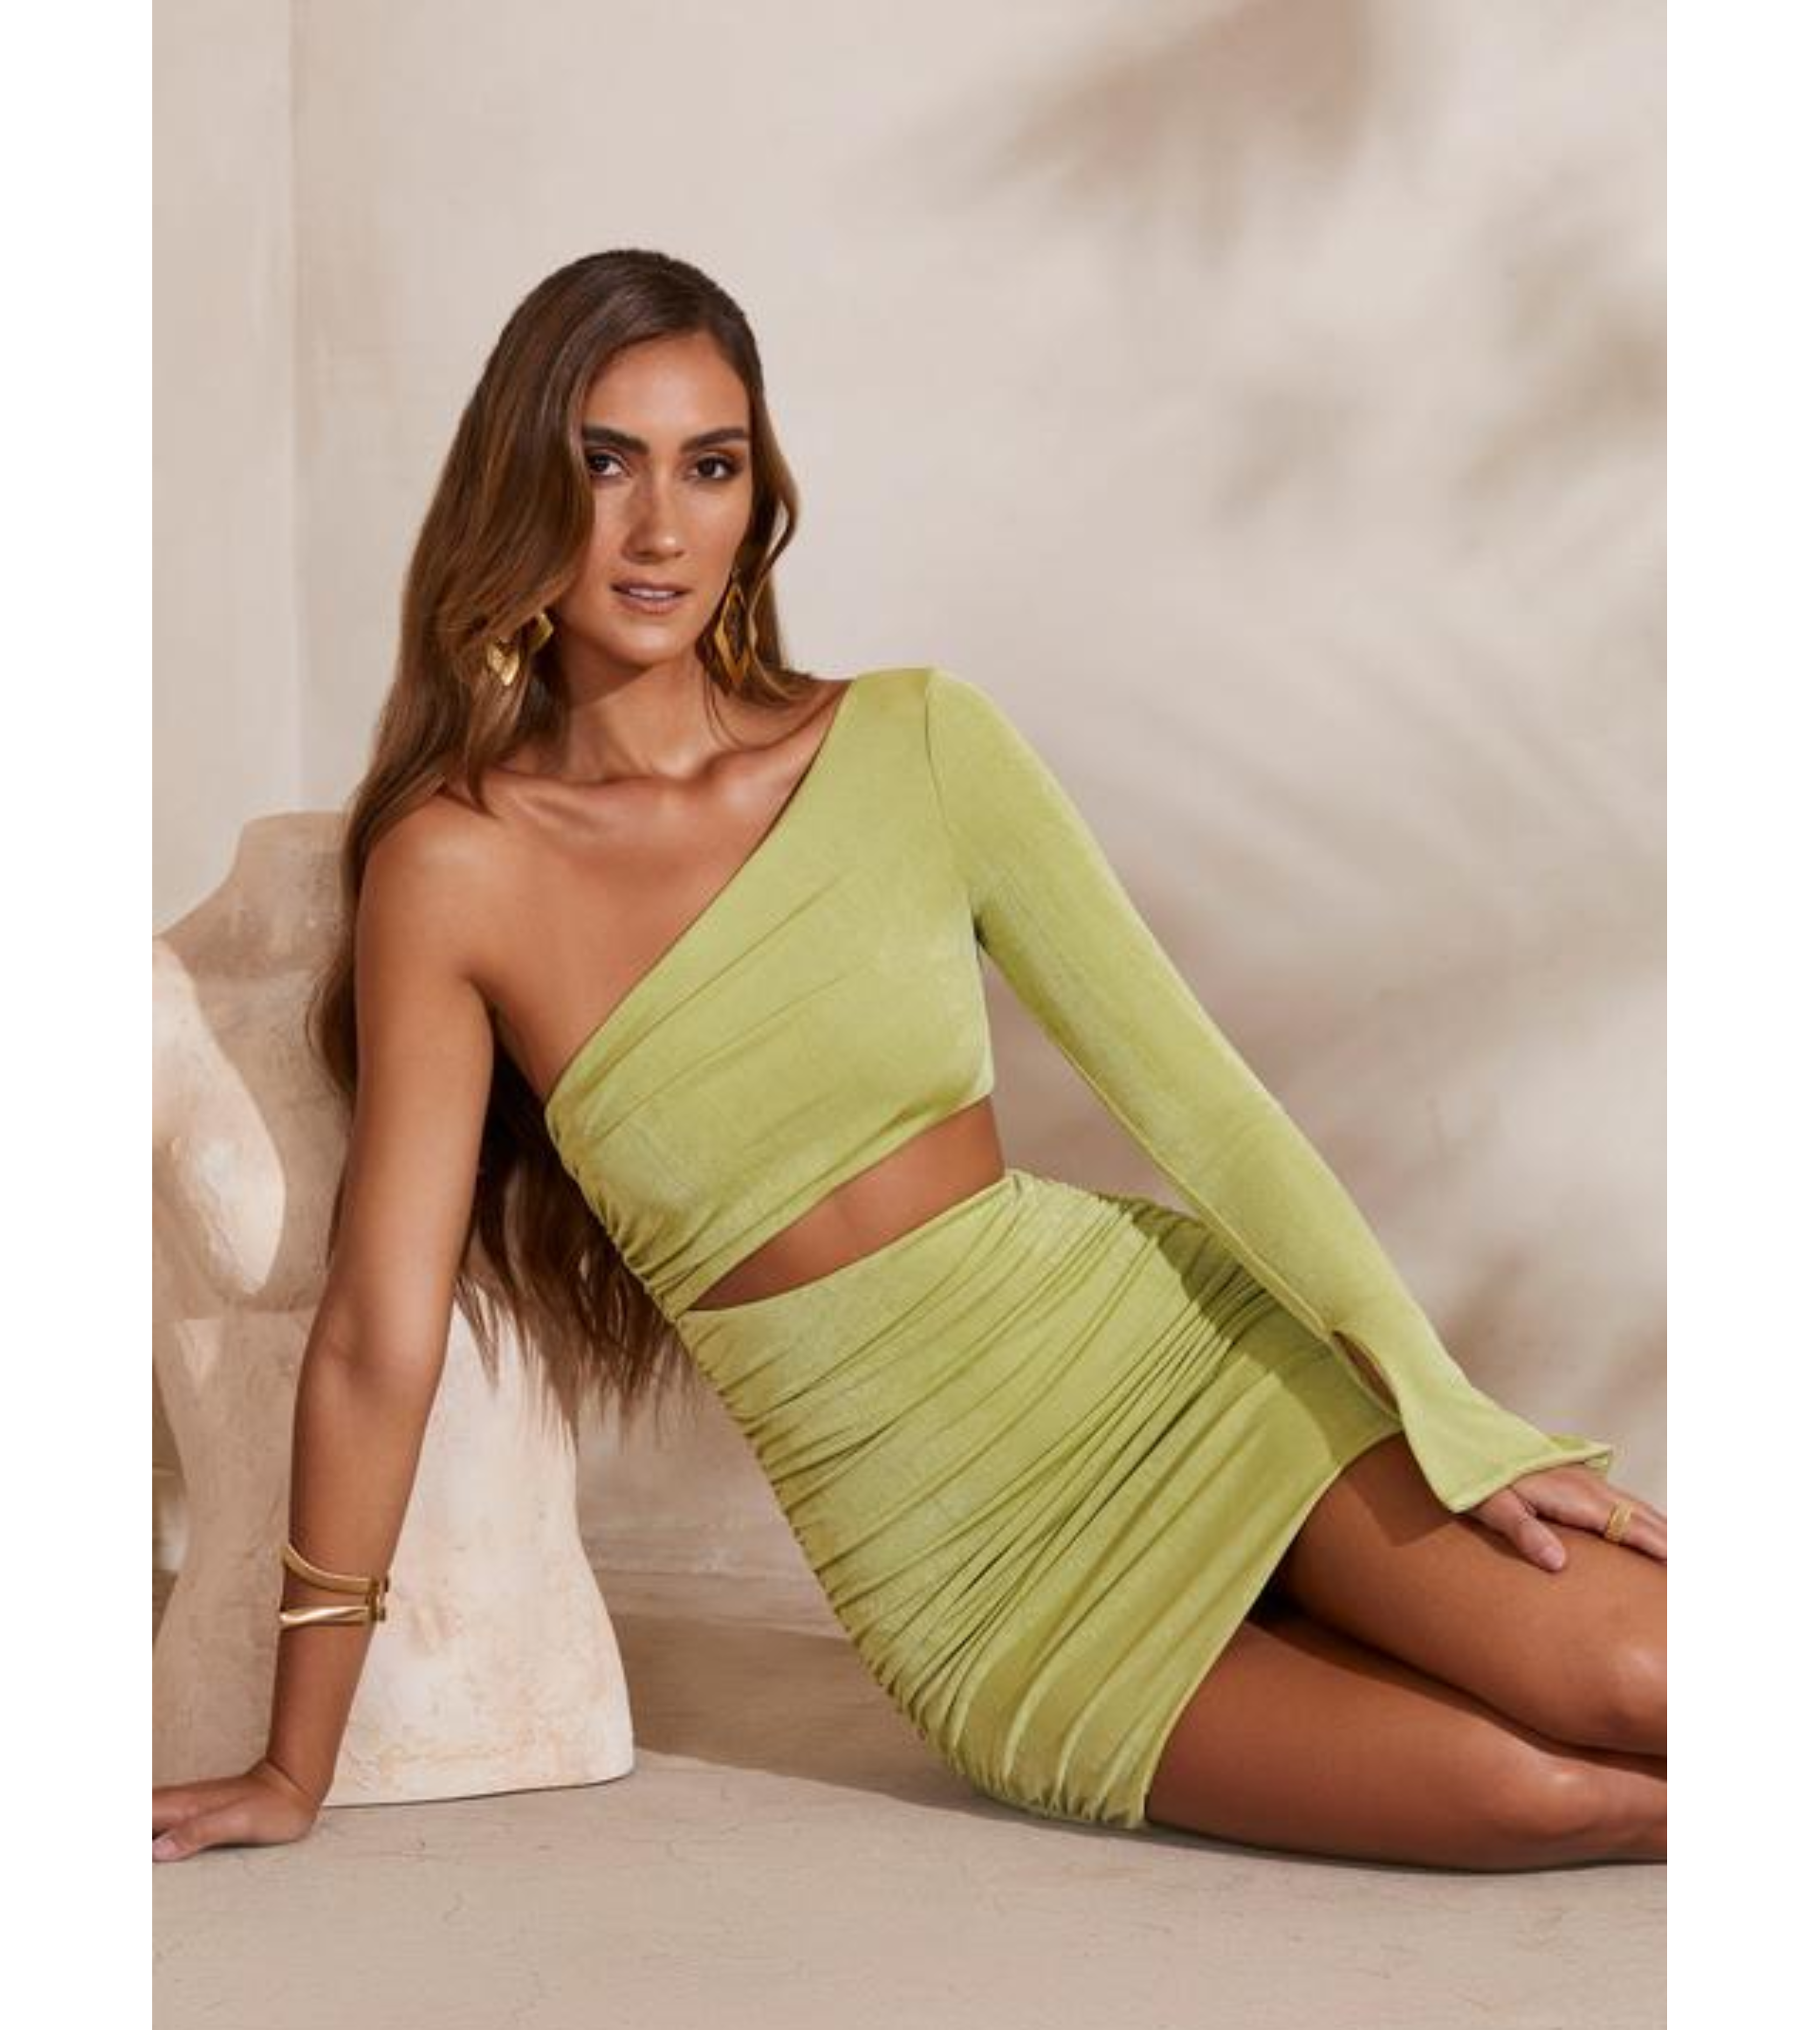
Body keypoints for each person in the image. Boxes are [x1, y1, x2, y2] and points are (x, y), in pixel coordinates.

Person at [152, 249, 1665, 1873]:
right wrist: (293, 1763)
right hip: (963, 1566)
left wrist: (1442, 1408)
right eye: (605, 463)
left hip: (1171, 1378)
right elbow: (380, 1332)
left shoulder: (919, 742)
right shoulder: (456, 866)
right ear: (519, 484)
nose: (659, 527)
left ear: (757, 502)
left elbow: (1202, 1104)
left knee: (1647, 1685)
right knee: (1531, 1795)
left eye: (709, 466)